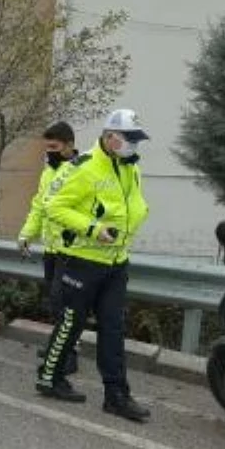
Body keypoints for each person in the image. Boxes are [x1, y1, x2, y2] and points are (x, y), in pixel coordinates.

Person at [37, 108, 151, 422]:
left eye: (137, 139)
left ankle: (116, 395)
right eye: (129, 139)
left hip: (116, 262)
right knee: (70, 325)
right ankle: (50, 377)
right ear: (110, 136)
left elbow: (132, 205)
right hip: (82, 262)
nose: (134, 145)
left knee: (113, 328)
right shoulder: (82, 167)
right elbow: (52, 206)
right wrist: (92, 228)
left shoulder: (130, 169)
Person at [18, 121, 80, 374]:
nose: (49, 152)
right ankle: (59, 344)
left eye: (54, 147)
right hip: (52, 249)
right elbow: (39, 208)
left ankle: (70, 353)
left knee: (65, 302)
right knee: (55, 302)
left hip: (72, 249)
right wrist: (26, 235)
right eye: (47, 148)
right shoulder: (48, 172)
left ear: (69, 146)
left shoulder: (80, 171)